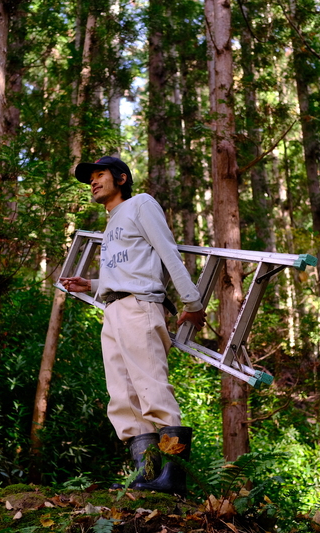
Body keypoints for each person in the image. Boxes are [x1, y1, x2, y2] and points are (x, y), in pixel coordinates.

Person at [60, 156, 205, 495]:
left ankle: (174, 476)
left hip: (140, 307)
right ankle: (149, 476)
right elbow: (128, 268)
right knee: (123, 399)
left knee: (151, 388)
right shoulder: (111, 224)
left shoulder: (141, 204)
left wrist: (192, 302)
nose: (93, 182)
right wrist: (92, 284)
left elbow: (167, 252)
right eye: (90, 178)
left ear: (121, 178)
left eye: (100, 175)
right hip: (113, 310)